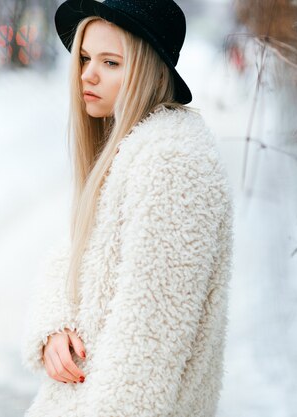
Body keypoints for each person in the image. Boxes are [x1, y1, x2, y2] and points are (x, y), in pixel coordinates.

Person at [20, 0, 235, 416]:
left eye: (111, 62)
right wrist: (55, 326)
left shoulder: (172, 161)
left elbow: (147, 351)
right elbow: (77, 256)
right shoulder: (135, 149)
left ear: (150, 70)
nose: (88, 74)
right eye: (84, 58)